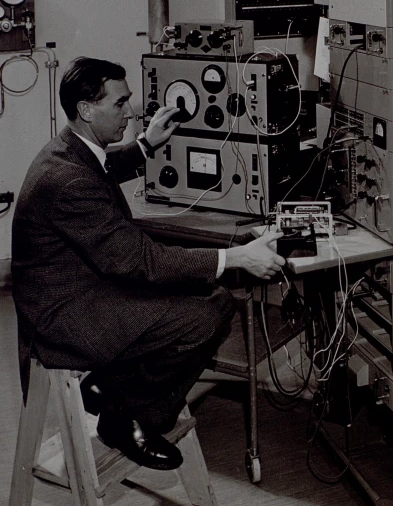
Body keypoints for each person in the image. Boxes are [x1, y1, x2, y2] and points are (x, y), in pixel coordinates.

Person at [11, 56, 285, 470]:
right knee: (205, 314)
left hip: (84, 286)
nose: (133, 111)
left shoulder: (70, 150)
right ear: (87, 110)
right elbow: (141, 262)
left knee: (209, 298)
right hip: (62, 317)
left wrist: (146, 145)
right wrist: (238, 257)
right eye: (120, 104)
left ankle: (110, 386)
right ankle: (129, 417)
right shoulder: (67, 179)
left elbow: (102, 170)